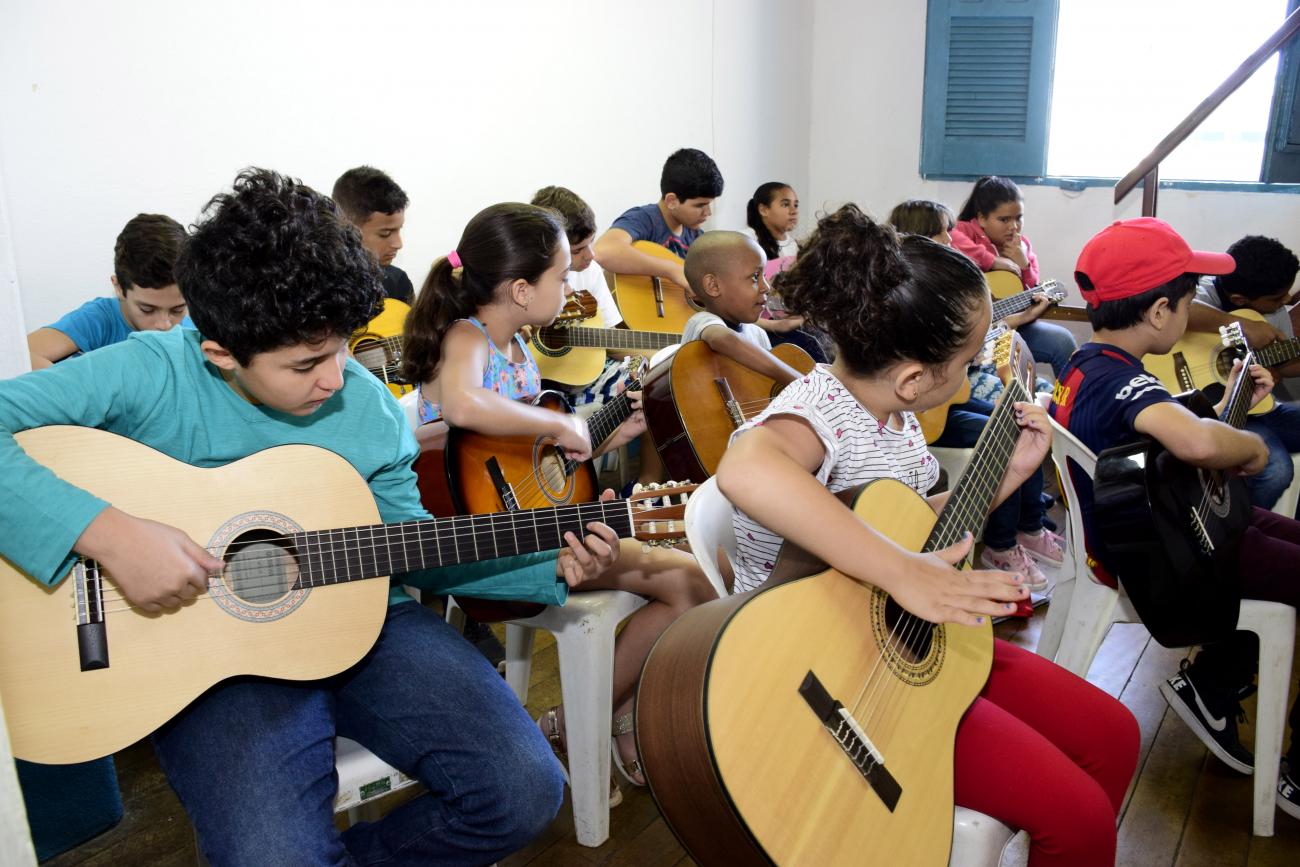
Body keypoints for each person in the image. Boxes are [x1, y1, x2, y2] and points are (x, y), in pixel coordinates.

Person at [0, 169, 634, 864]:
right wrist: (109, 533)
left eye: (339, 347)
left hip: (370, 621)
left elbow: (414, 546)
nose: (336, 378)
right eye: (305, 363)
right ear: (219, 352)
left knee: (523, 789)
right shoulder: (150, 371)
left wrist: (549, 559)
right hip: (214, 662)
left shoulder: (360, 408)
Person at [716, 204, 1139, 865]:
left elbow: (914, 526)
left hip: (900, 638)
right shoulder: (816, 409)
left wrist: (1005, 475)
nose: (973, 375)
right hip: (828, 678)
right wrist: (902, 571)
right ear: (915, 376)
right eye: (969, 362)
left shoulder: (894, 413)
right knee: (1079, 817)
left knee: (1114, 734)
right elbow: (746, 468)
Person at [402, 202, 718, 795]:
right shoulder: (468, 339)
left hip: (527, 525)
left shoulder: (519, 351)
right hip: (479, 547)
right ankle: (584, 725)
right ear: (521, 290)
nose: (571, 283)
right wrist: (559, 426)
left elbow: (532, 472)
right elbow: (466, 409)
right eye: (560, 275)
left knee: (689, 575)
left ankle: (604, 716)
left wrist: (599, 436)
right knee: (686, 581)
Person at [1049, 217, 1300, 820]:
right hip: (1171, 557)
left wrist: (1234, 395)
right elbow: (1196, 445)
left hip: (1175, 529)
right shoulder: (1121, 382)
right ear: (1161, 312)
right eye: (1189, 302)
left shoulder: (1089, 364)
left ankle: (1213, 684)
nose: (1192, 314)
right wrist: (1257, 449)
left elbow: (1170, 430)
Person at [889, 199, 1064, 589]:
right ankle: (1000, 545)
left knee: (1019, 419)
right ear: (918, 238)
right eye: (942, 233)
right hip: (924, 410)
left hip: (951, 396)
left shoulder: (945, 288)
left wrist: (1009, 335)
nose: (952, 239)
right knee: (1006, 434)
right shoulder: (907, 299)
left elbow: (983, 341)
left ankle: (1027, 527)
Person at [531, 185, 665, 486]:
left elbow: (612, 339)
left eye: (590, 244)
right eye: (579, 250)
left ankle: (646, 486)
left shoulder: (589, 270)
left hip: (585, 373)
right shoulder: (527, 280)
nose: (591, 256)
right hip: (540, 390)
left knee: (653, 383)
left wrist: (663, 358)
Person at [1183, 235, 1300, 511]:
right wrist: (1243, 325)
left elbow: (1287, 362)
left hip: (1259, 408)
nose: (1286, 300)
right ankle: (1238, 529)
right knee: (1277, 470)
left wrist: (1275, 369)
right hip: (1216, 410)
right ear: (1240, 298)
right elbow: (1185, 311)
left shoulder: (1273, 310)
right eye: (1276, 297)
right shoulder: (1204, 291)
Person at [951, 176, 1077, 377]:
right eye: (1004, 219)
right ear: (982, 218)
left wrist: (1024, 265)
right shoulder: (965, 231)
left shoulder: (1022, 246)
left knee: (1062, 341)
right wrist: (992, 261)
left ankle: (1069, 402)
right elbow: (950, 242)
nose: (1014, 227)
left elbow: (1030, 291)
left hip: (1015, 327)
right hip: (971, 334)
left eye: (1018, 218)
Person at [27, 214, 189, 369]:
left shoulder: (197, 325)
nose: (164, 324)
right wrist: (83, 388)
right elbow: (24, 354)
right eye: (147, 309)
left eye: (177, 310)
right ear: (118, 287)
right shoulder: (99, 319)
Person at [679, 231, 805, 387]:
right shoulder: (702, 322)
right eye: (755, 277)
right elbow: (722, 338)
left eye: (764, 276)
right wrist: (801, 382)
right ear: (714, 286)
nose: (766, 287)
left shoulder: (758, 334)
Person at [593, 147, 723, 292]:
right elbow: (603, 251)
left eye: (709, 204)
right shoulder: (644, 219)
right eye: (700, 205)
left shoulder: (698, 240)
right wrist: (672, 270)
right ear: (672, 200)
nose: (708, 212)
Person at [744, 182, 830, 364]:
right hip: (759, 324)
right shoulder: (746, 240)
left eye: (796, 205)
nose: (793, 211)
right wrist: (777, 325)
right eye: (785, 204)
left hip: (792, 322)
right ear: (763, 209)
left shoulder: (797, 247)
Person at [332, 165, 415, 304]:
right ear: (347, 228)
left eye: (399, 229)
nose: (398, 244)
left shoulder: (398, 282)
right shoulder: (315, 290)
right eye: (386, 233)